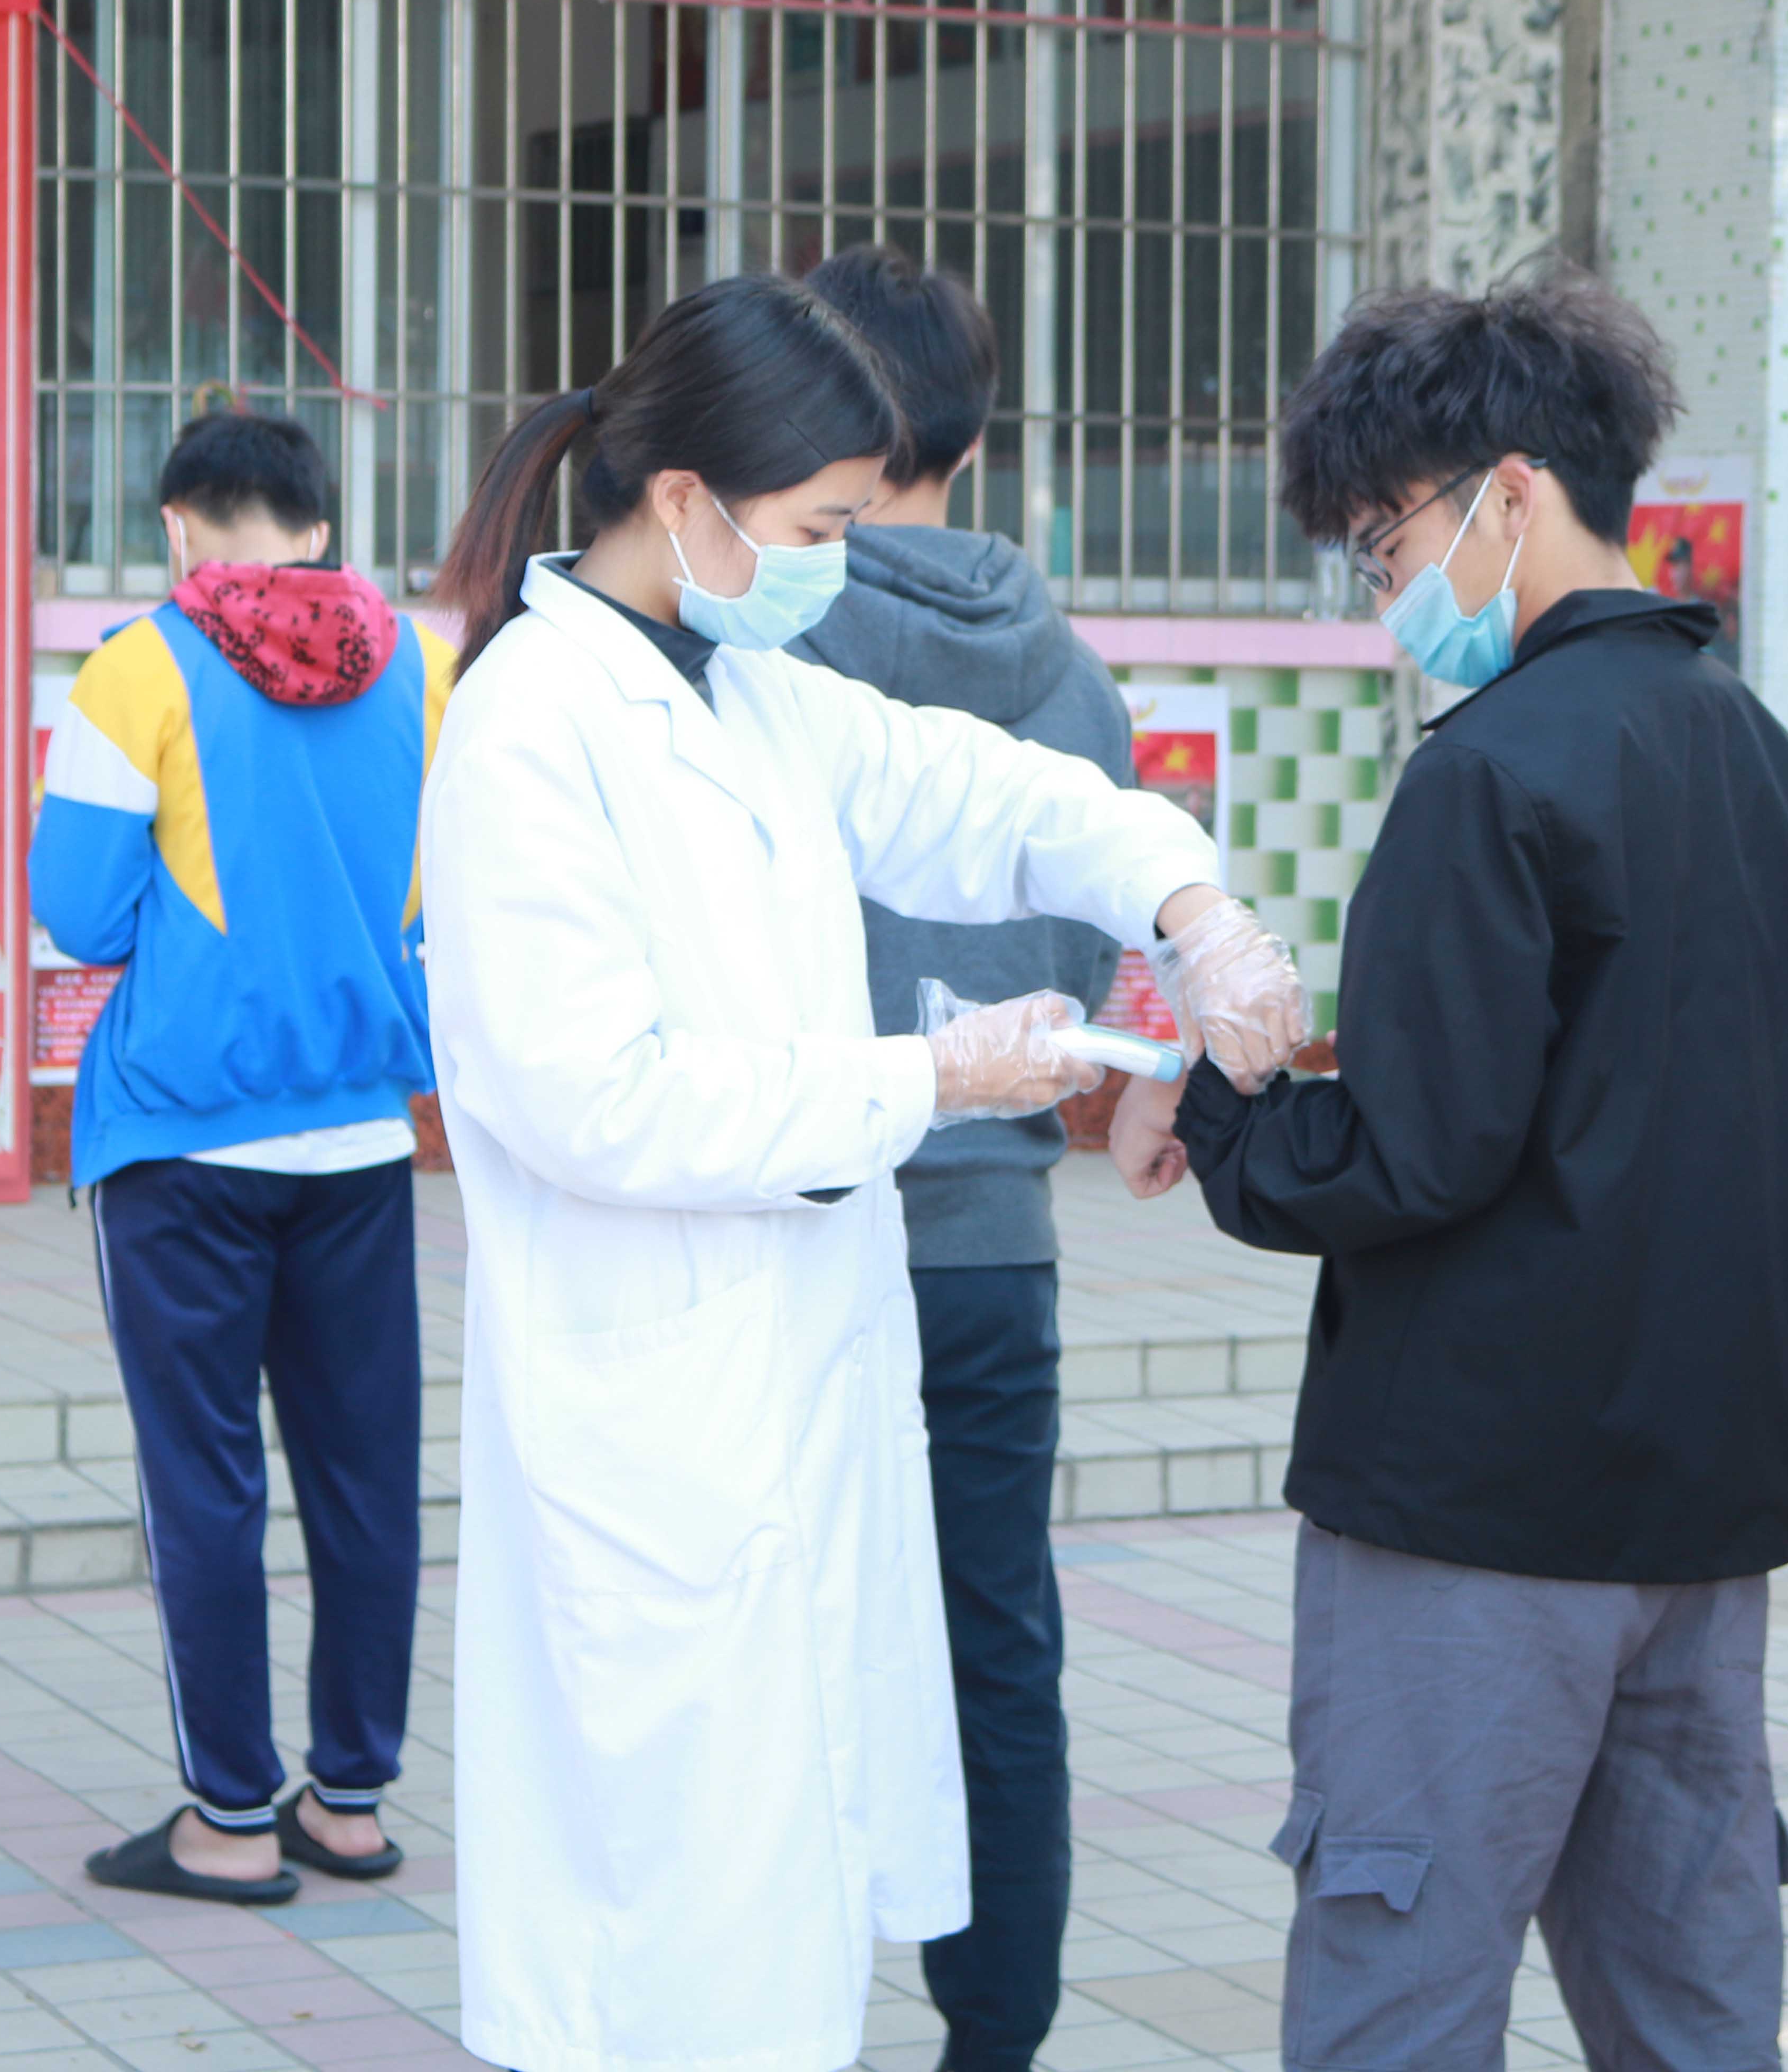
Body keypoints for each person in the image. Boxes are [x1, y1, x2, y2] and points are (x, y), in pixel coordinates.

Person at [415, 272, 1306, 2072]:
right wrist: (927, 1079)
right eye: (823, 526)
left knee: (782, 1906)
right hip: (656, 1424)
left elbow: (990, 797)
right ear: (688, 501)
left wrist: (1190, 908)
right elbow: (592, 1099)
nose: (839, 562)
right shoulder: (531, 726)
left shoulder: (754, 693)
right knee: (670, 1942)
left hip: (791, 1394)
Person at [1110, 271, 1788, 2068]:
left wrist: (1218, 1108)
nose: (1387, 589)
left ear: (1510, 495)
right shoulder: (1764, 758)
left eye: (1387, 542)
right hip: (1704, 1518)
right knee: (1693, 1996)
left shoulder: (1491, 774)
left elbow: (1411, 1152)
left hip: (1478, 1521)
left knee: (1403, 1982)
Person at [30, 409, 456, 1903]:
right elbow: (446, 889)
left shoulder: (135, 668)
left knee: (204, 1484)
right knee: (366, 1479)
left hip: (183, 1141)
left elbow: (79, 916)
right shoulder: (427, 670)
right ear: (322, 531)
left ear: (175, 526)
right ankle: (349, 1802)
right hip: (362, 1141)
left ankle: (225, 1818)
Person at [782, 241, 1129, 2072]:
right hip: (996, 1243)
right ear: (975, 436)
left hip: (797, 1234)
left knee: (784, 1657)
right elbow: (1091, 960)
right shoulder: (1076, 676)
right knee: (997, 1647)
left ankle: (772, 2019)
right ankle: (996, 2040)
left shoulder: (769, 651)